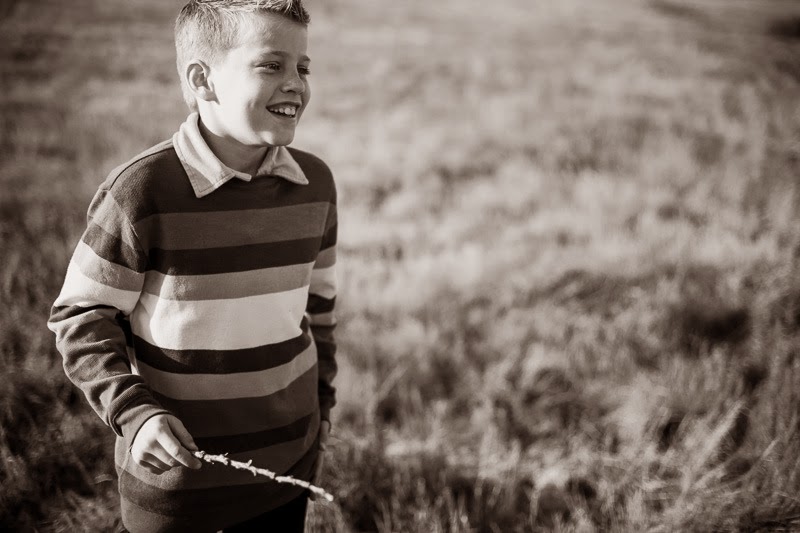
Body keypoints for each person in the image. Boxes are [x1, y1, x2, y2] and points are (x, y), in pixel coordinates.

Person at [47, 1, 337, 531]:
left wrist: (323, 413)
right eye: (271, 65)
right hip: (179, 485)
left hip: (286, 466)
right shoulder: (141, 192)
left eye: (303, 67)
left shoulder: (314, 185)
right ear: (203, 80)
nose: (296, 84)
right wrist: (136, 414)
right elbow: (81, 316)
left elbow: (318, 310)